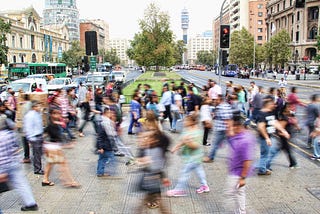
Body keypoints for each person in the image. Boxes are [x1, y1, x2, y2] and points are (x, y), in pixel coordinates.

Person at [0, 106, 39, 211]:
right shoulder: (10, 134)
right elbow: (16, 147)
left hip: (3, 166)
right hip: (14, 163)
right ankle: (31, 203)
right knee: (22, 183)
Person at [167, 113, 210, 197]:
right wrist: (176, 147)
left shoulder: (197, 132)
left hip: (193, 157)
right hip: (192, 157)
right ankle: (205, 186)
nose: (184, 122)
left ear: (192, 122)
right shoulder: (187, 130)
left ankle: (179, 190)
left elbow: (196, 146)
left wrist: (188, 142)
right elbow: (182, 141)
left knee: (184, 173)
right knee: (199, 170)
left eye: (186, 120)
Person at [225, 111, 255, 214]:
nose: (231, 128)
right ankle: (241, 211)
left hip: (238, 174)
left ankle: (241, 211)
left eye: (232, 126)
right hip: (236, 171)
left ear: (238, 126)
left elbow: (247, 160)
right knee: (239, 193)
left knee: (230, 194)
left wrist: (243, 178)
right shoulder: (242, 135)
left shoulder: (244, 140)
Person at [42, 108, 80, 188]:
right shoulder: (52, 125)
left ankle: (45, 179)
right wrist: (67, 145)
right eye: (56, 113)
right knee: (63, 164)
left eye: (59, 113)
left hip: (51, 147)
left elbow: (45, 134)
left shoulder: (53, 124)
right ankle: (69, 181)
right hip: (54, 148)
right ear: (52, 115)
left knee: (50, 164)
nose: (59, 115)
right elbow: (57, 137)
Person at [256, 98, 290, 175]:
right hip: (264, 137)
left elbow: (275, 122)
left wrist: (283, 131)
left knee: (272, 151)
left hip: (270, 136)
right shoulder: (261, 114)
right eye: (272, 104)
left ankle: (265, 166)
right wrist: (266, 138)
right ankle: (262, 170)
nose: (274, 105)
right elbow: (261, 127)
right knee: (265, 154)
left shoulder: (270, 112)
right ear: (268, 105)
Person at [266, 103, 299, 171]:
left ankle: (293, 163)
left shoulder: (287, 116)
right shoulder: (283, 117)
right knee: (276, 151)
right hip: (284, 137)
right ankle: (266, 164)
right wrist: (284, 134)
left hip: (285, 137)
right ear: (285, 109)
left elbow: (295, 122)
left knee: (285, 150)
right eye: (289, 108)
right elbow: (280, 128)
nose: (290, 109)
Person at [203, 94, 233, 162]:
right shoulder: (225, 106)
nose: (215, 101)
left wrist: (229, 130)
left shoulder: (223, 107)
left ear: (220, 100)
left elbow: (227, 119)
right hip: (223, 129)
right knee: (231, 144)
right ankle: (238, 157)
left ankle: (210, 157)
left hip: (222, 129)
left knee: (215, 144)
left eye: (216, 99)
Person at [96, 106, 119, 177]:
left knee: (102, 159)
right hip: (105, 145)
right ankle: (100, 172)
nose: (110, 114)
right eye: (109, 113)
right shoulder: (104, 123)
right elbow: (100, 137)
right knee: (110, 158)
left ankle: (100, 172)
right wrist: (100, 147)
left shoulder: (105, 122)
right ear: (106, 113)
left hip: (104, 145)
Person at [23, 100, 44, 175]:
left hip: (39, 135)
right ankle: (37, 169)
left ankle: (38, 167)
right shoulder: (30, 115)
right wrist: (31, 139)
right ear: (34, 107)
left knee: (39, 153)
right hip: (35, 137)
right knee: (37, 154)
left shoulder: (38, 114)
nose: (40, 107)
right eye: (38, 106)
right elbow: (28, 128)